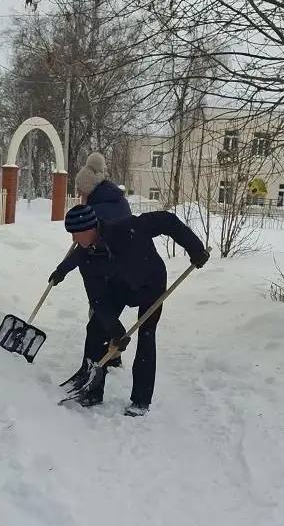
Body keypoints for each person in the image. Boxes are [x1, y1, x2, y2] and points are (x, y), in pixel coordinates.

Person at [50, 203, 209, 416]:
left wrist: (195, 248)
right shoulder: (85, 256)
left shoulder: (127, 228)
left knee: (146, 333)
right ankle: (92, 391)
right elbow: (98, 299)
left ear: (90, 229)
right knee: (96, 329)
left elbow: (167, 220)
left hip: (150, 283)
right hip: (118, 289)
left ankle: (141, 400)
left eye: (75, 234)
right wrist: (115, 330)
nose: (73, 240)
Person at [74, 152, 132, 222]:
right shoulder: (121, 201)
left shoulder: (91, 213)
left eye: (82, 194)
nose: (81, 199)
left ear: (88, 190)